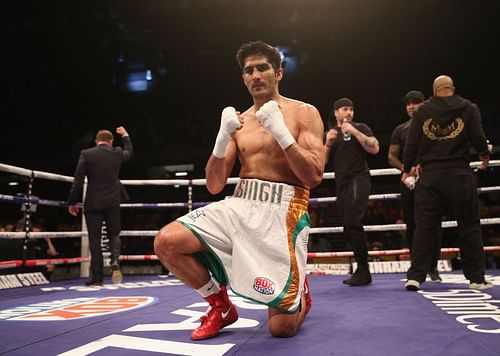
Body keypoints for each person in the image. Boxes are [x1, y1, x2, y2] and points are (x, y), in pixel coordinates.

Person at [154, 40, 325, 340]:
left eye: (263, 68)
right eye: (249, 70)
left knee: (281, 329)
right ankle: (221, 307)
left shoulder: (304, 113)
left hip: (284, 211)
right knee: (167, 242)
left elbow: (313, 176)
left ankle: (300, 294)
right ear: (243, 78)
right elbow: (214, 185)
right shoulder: (238, 121)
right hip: (241, 203)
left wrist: (281, 133)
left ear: (279, 73)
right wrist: (222, 137)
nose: (256, 75)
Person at [402, 75, 492, 291]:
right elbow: (479, 137)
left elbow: (412, 142)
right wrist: (484, 156)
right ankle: (477, 279)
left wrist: (407, 168)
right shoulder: (468, 108)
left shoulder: (422, 111)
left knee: (424, 227)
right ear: (452, 88)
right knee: (469, 226)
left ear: (434, 91)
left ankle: (415, 277)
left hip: (431, 175)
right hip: (459, 173)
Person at [324, 98, 380, 286]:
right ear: (336, 113)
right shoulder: (331, 134)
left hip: (359, 178)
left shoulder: (361, 127)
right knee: (348, 225)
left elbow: (375, 148)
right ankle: (362, 270)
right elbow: (321, 163)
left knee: (353, 221)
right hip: (342, 183)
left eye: (351, 109)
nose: (348, 112)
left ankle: (363, 269)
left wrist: (354, 131)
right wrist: (327, 144)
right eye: (344, 109)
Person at [67, 126, 133, 286]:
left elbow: (78, 179)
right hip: (113, 201)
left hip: (93, 201)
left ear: (97, 141)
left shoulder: (87, 154)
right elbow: (129, 153)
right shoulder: (116, 152)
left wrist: (72, 201)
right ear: (110, 142)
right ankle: (115, 261)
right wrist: (125, 136)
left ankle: (97, 278)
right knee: (114, 233)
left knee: (95, 239)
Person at [388, 90, 442, 281]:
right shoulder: (401, 130)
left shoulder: (433, 126)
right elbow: (391, 156)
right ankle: (417, 264)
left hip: (431, 179)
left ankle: (433, 266)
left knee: (433, 222)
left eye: (415, 102)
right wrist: (406, 168)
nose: (411, 106)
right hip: (409, 180)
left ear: (423, 104)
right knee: (412, 222)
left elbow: (441, 150)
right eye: (408, 103)